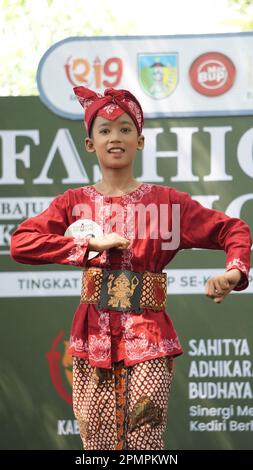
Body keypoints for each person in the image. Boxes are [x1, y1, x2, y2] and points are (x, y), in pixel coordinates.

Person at [10, 86, 251, 451]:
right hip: (91, 340)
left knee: (144, 441)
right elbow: (21, 243)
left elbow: (232, 229)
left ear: (140, 140)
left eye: (124, 129)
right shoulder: (73, 203)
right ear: (90, 144)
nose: (115, 138)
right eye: (104, 131)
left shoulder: (168, 203)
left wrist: (234, 272)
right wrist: (89, 244)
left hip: (150, 338)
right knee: (98, 445)